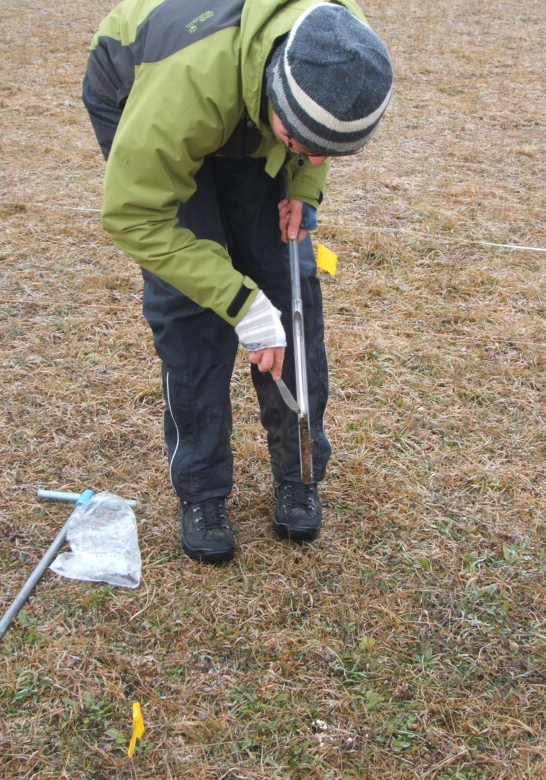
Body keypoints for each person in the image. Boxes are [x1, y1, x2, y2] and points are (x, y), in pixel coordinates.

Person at [82, 0, 393, 564]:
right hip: (149, 85)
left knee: (288, 284)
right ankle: (201, 490)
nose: (315, 156)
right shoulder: (181, 94)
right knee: (193, 306)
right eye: (300, 142)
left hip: (248, 98)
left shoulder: (345, 48)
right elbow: (137, 216)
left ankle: (298, 470)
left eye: (327, 150)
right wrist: (240, 305)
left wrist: (303, 185)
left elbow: (315, 134)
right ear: (275, 87)